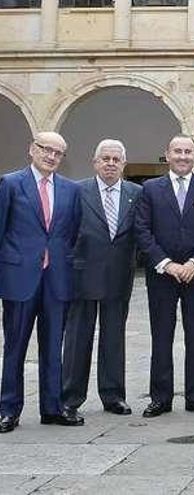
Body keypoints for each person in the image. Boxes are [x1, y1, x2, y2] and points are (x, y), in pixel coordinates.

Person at [135, 134, 194, 418]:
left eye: (188, 152)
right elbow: (143, 230)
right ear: (167, 154)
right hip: (162, 276)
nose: (183, 156)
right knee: (161, 336)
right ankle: (160, 398)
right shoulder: (150, 188)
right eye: (178, 151)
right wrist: (167, 264)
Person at [0, 132, 82, 433]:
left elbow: (71, 235)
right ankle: (8, 409)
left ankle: (52, 407)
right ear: (32, 149)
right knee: (15, 346)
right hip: (19, 278)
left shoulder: (71, 190)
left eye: (58, 153)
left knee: (53, 347)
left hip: (57, 279)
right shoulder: (9, 184)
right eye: (46, 149)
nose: (51, 156)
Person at [61, 139, 142, 423]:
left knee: (114, 337)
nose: (110, 163)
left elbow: (141, 233)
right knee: (77, 339)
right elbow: (66, 231)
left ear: (123, 164)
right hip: (82, 275)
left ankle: (113, 395)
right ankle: (70, 397)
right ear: (95, 162)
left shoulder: (136, 193)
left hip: (119, 276)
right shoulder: (77, 191)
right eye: (105, 158)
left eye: (116, 159)